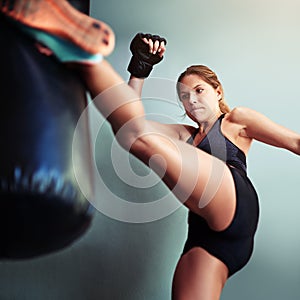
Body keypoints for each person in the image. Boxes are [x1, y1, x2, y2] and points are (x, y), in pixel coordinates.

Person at [2, 1, 299, 299]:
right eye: (184, 96)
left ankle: (79, 52)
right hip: (208, 240)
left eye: (199, 91)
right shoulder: (185, 136)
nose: (191, 101)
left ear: (217, 91)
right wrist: (140, 69)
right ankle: (71, 48)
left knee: (136, 136)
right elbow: (133, 122)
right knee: (131, 135)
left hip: (235, 205)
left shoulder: (237, 120)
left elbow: (295, 142)